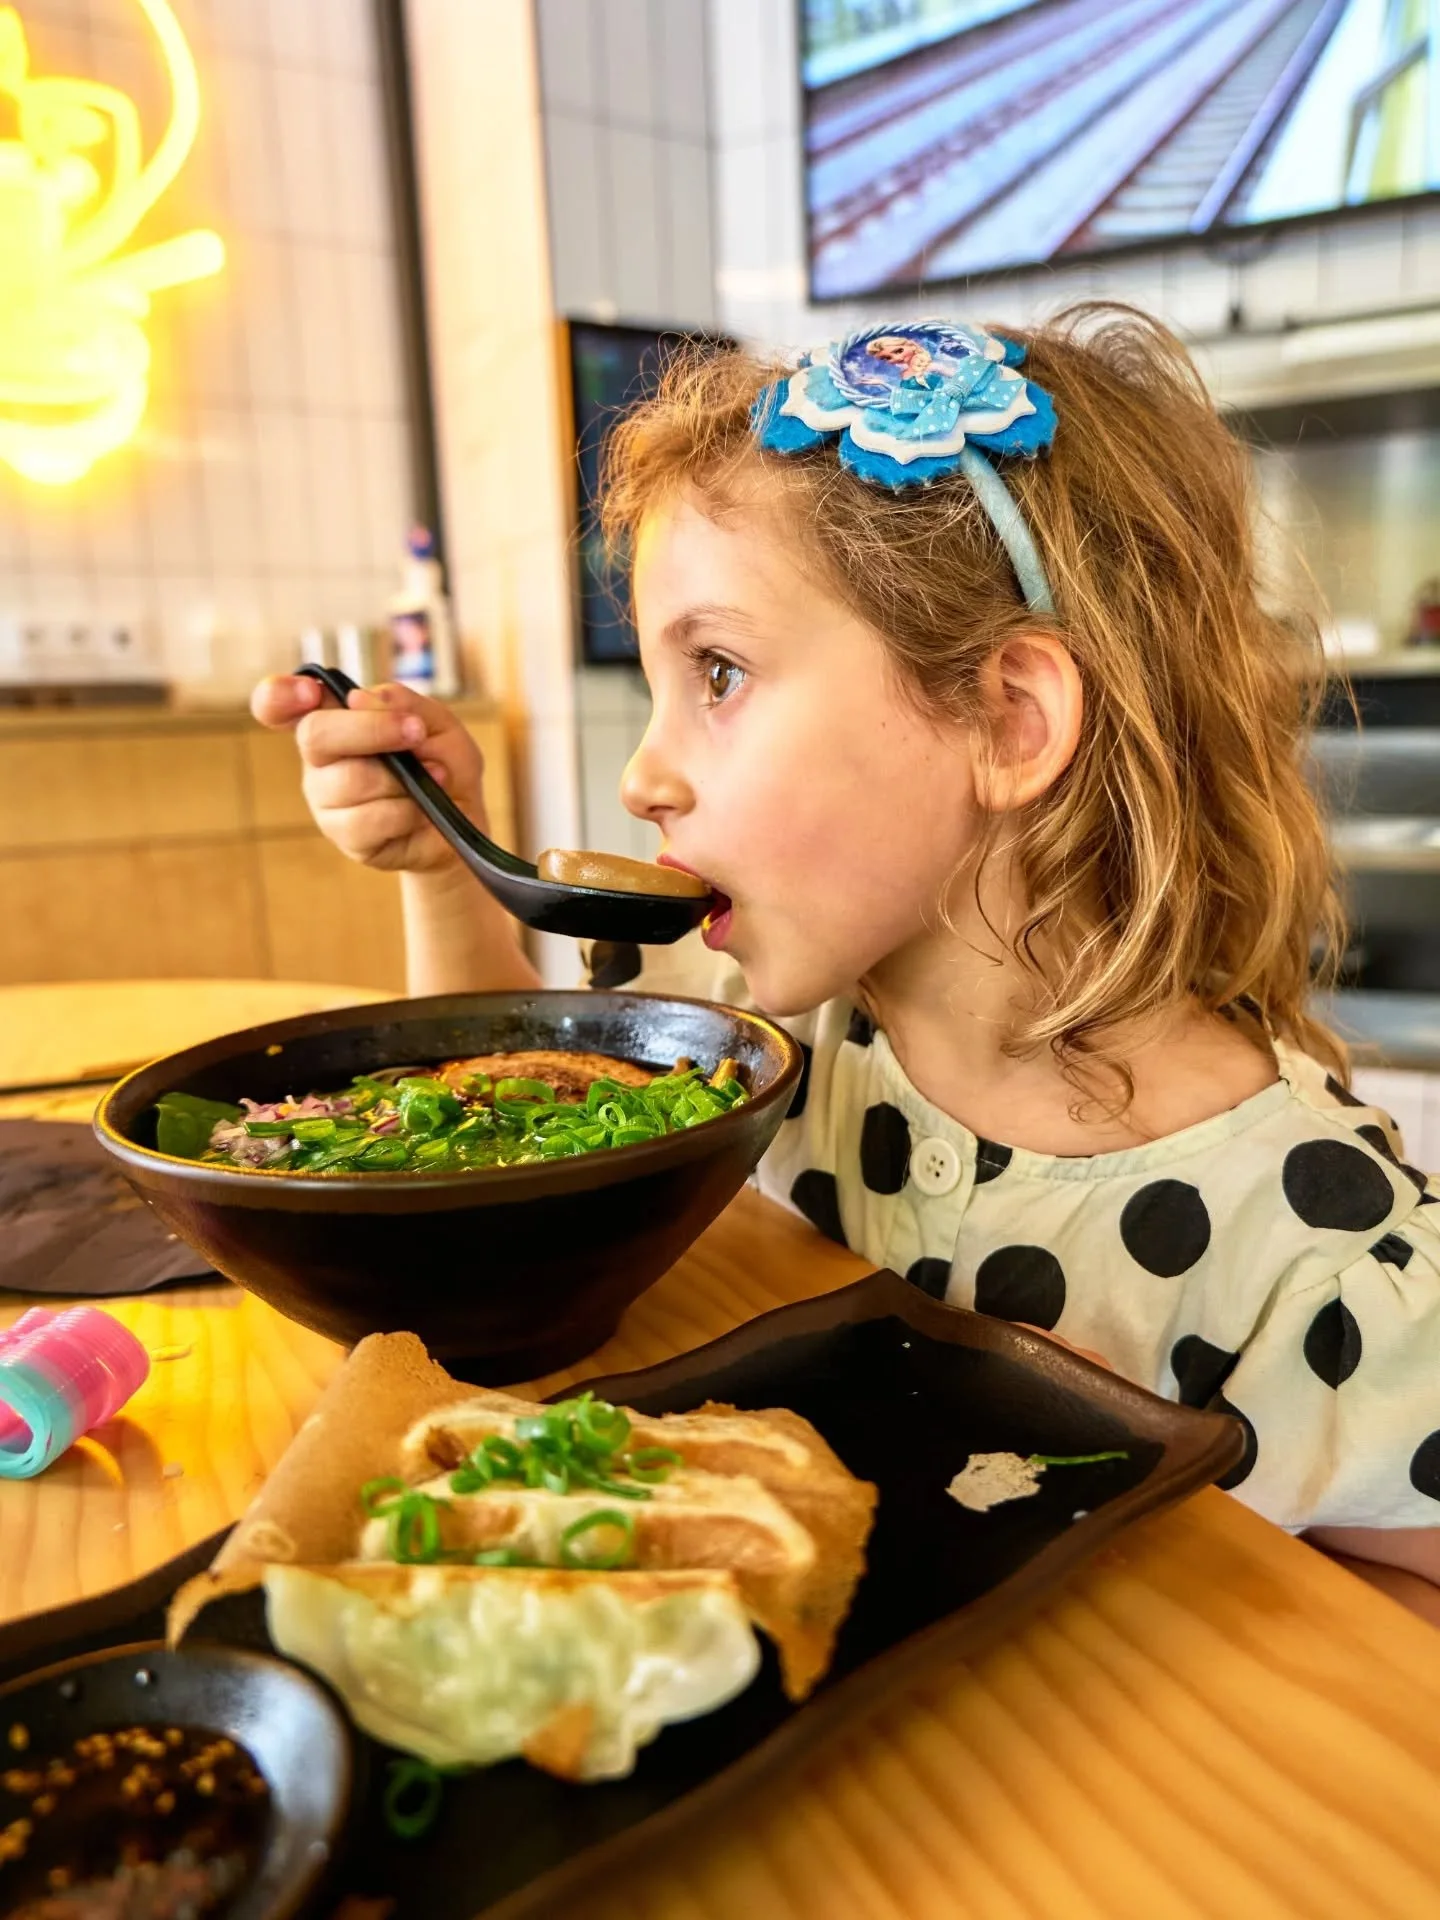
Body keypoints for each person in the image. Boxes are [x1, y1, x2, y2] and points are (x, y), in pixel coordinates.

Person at [253, 307, 1440, 1621]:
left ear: (1007, 720)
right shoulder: (760, 1051)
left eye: (717, 671)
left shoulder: (1314, 1253)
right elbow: (505, 1136)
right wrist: (438, 866)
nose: (643, 776)